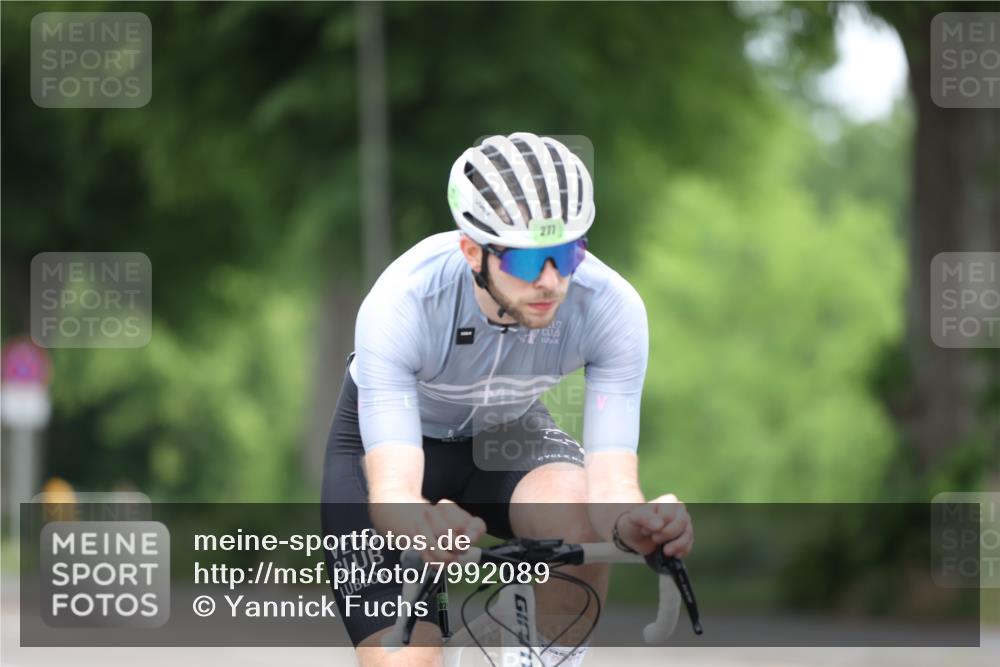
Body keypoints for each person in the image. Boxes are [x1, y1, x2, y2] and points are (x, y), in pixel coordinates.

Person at [321, 132, 693, 667]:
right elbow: (394, 494)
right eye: (526, 262)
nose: (550, 282)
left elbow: (612, 485)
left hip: (508, 435)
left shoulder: (611, 308)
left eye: (566, 255)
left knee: (579, 516)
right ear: (473, 250)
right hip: (388, 454)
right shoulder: (402, 303)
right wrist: (420, 522)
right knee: (405, 662)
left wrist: (636, 522)